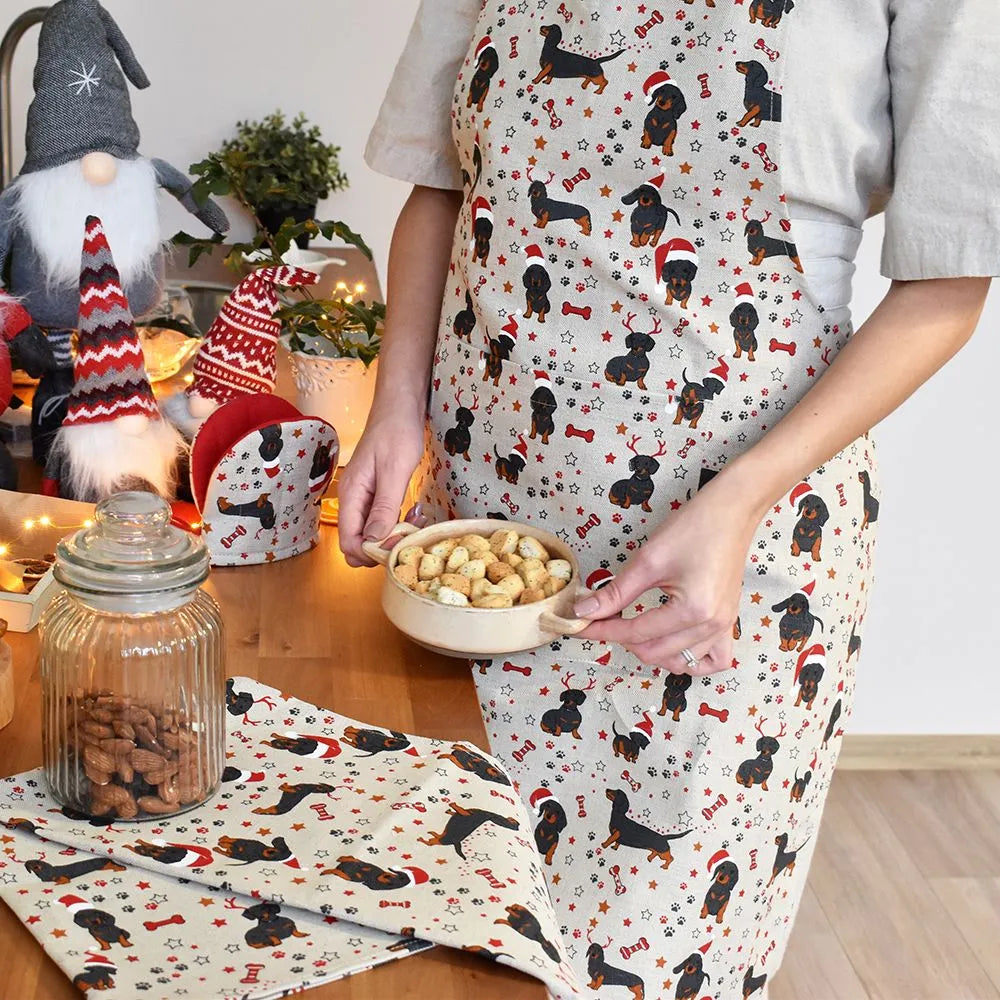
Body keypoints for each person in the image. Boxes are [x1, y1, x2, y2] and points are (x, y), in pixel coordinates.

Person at [341, 1, 997, 996]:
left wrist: (736, 503)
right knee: (443, 947)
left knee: (650, 963)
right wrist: (394, 411)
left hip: (724, 573)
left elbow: (949, 283)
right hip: (473, 555)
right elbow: (442, 187)